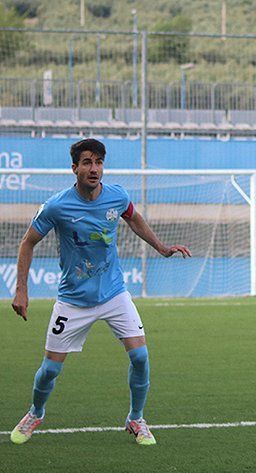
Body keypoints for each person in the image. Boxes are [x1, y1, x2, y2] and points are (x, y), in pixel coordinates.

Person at [9, 138, 191, 446]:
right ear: (75, 169)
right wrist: (21, 291)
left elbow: (134, 218)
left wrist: (162, 248)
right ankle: (35, 412)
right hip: (73, 301)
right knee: (50, 370)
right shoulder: (57, 206)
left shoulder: (117, 196)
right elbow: (27, 243)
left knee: (141, 357)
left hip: (113, 294)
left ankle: (136, 419)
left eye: (99, 163)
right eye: (87, 163)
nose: (94, 169)